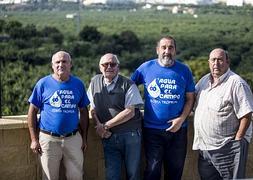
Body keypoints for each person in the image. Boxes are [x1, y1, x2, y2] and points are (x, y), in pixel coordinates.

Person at [131, 36, 195, 180]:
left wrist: (181, 119)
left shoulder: (184, 70)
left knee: (175, 172)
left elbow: (190, 98)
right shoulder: (145, 68)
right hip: (152, 129)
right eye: (164, 47)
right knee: (153, 171)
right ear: (157, 50)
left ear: (175, 51)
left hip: (178, 131)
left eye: (171, 48)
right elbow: (129, 87)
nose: (167, 51)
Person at [27, 51, 90, 180]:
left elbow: (84, 112)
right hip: (48, 139)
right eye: (57, 62)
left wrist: (84, 138)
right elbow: (32, 111)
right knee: (49, 177)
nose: (61, 64)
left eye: (64, 61)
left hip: (73, 139)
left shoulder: (78, 84)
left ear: (70, 64)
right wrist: (34, 139)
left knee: (76, 176)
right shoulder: (43, 84)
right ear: (52, 65)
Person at [193, 48, 253, 179]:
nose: (216, 63)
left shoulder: (236, 83)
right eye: (213, 60)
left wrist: (237, 140)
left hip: (228, 147)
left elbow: (246, 114)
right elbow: (191, 98)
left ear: (227, 62)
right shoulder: (204, 81)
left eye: (220, 60)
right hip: (205, 149)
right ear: (209, 62)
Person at [87, 53, 143, 180]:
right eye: (105, 64)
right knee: (112, 175)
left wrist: (105, 126)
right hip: (109, 136)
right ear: (100, 67)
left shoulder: (128, 84)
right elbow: (92, 108)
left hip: (130, 136)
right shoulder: (94, 82)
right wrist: (99, 126)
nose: (109, 67)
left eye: (113, 64)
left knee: (133, 174)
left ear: (118, 67)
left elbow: (130, 112)